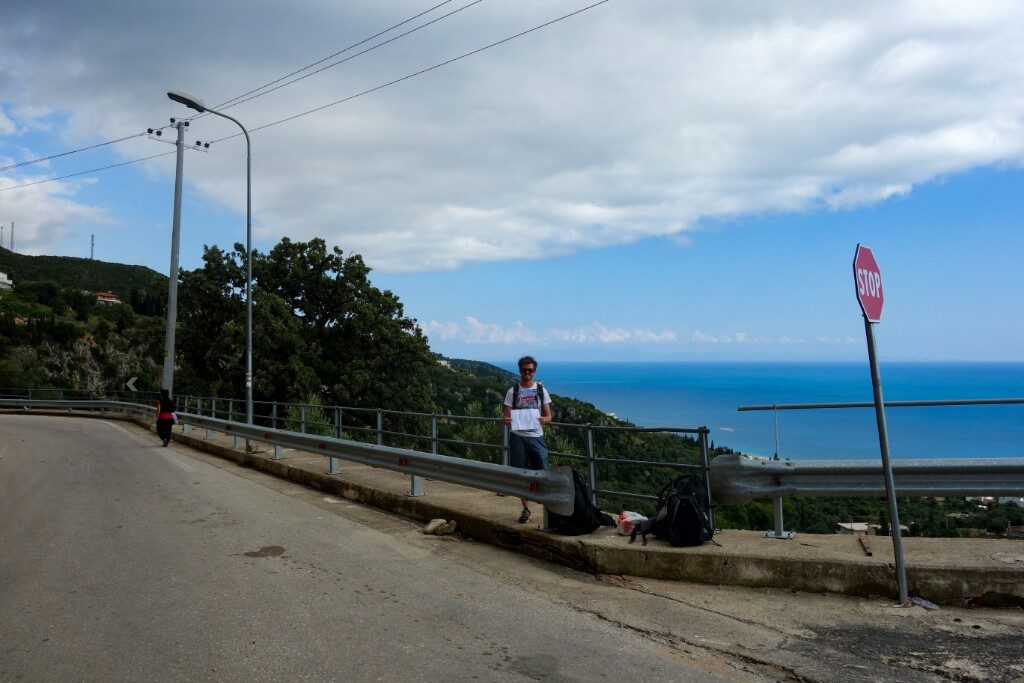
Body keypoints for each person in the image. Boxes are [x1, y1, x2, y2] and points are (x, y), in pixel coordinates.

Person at [502, 355, 553, 523]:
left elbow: (549, 415)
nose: (527, 372)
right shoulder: (512, 391)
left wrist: (545, 420)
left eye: (530, 370)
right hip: (518, 437)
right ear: (520, 371)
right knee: (521, 474)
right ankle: (526, 508)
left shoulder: (541, 390)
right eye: (524, 370)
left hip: (537, 437)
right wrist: (506, 420)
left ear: (534, 371)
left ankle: (549, 510)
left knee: (544, 473)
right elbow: (506, 416)